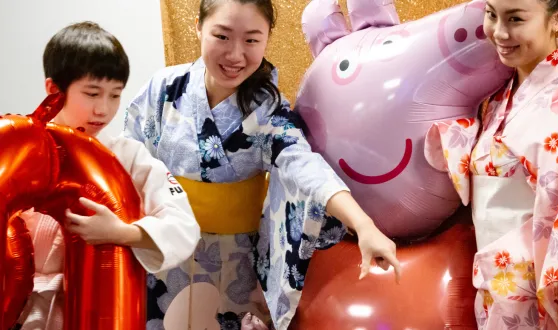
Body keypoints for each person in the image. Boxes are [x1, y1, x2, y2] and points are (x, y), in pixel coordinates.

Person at [122, 0, 402, 329]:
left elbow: (304, 167)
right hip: (163, 252)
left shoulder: (269, 111)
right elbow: (128, 163)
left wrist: (363, 224)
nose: (236, 55)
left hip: (233, 263)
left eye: (251, 40)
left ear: (267, 40)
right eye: (222, 36)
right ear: (198, 28)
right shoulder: (163, 89)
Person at [424, 0, 558, 329]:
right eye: (491, 15)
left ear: (556, 18)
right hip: (494, 289)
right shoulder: (499, 97)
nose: (499, 32)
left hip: (542, 304)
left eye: (515, 19)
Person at [15, 21, 201, 330]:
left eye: (115, 95)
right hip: (19, 311)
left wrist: (122, 233)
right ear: (54, 90)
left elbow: (183, 226)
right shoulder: (21, 150)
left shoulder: (127, 157)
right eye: (92, 93)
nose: (104, 109)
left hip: (92, 311)